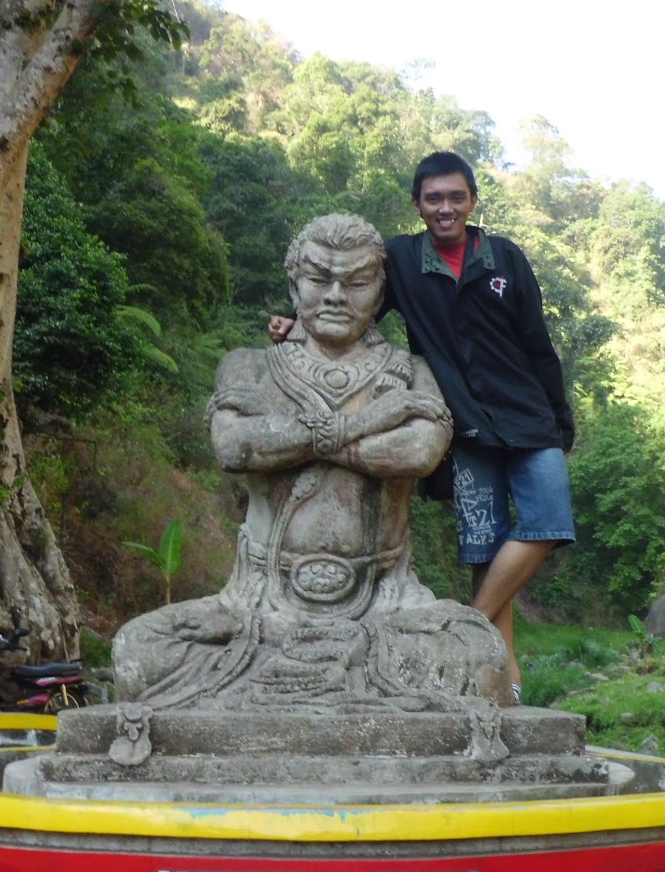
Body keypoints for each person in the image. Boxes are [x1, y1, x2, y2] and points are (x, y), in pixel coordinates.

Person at [115, 212, 511, 710]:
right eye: (319, 279)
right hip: (259, 603)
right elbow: (234, 447)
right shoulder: (250, 365)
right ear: (294, 282)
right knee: (139, 651)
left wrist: (286, 431)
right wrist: (367, 423)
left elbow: (420, 452)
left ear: (380, 287)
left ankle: (302, 683)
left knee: (480, 657)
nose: (335, 296)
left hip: (383, 603)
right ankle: (337, 686)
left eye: (356, 282)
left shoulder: (412, 372)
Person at [271, 152, 576, 700]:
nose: (445, 208)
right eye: (434, 198)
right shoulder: (404, 260)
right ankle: (505, 686)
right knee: (485, 554)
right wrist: (295, 321)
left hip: (528, 417)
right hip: (467, 429)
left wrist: (560, 418)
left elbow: (539, 345)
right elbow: (358, 301)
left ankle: (461, 629)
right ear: (417, 205)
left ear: (473, 201)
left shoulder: (504, 257)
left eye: (456, 197)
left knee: (549, 522)